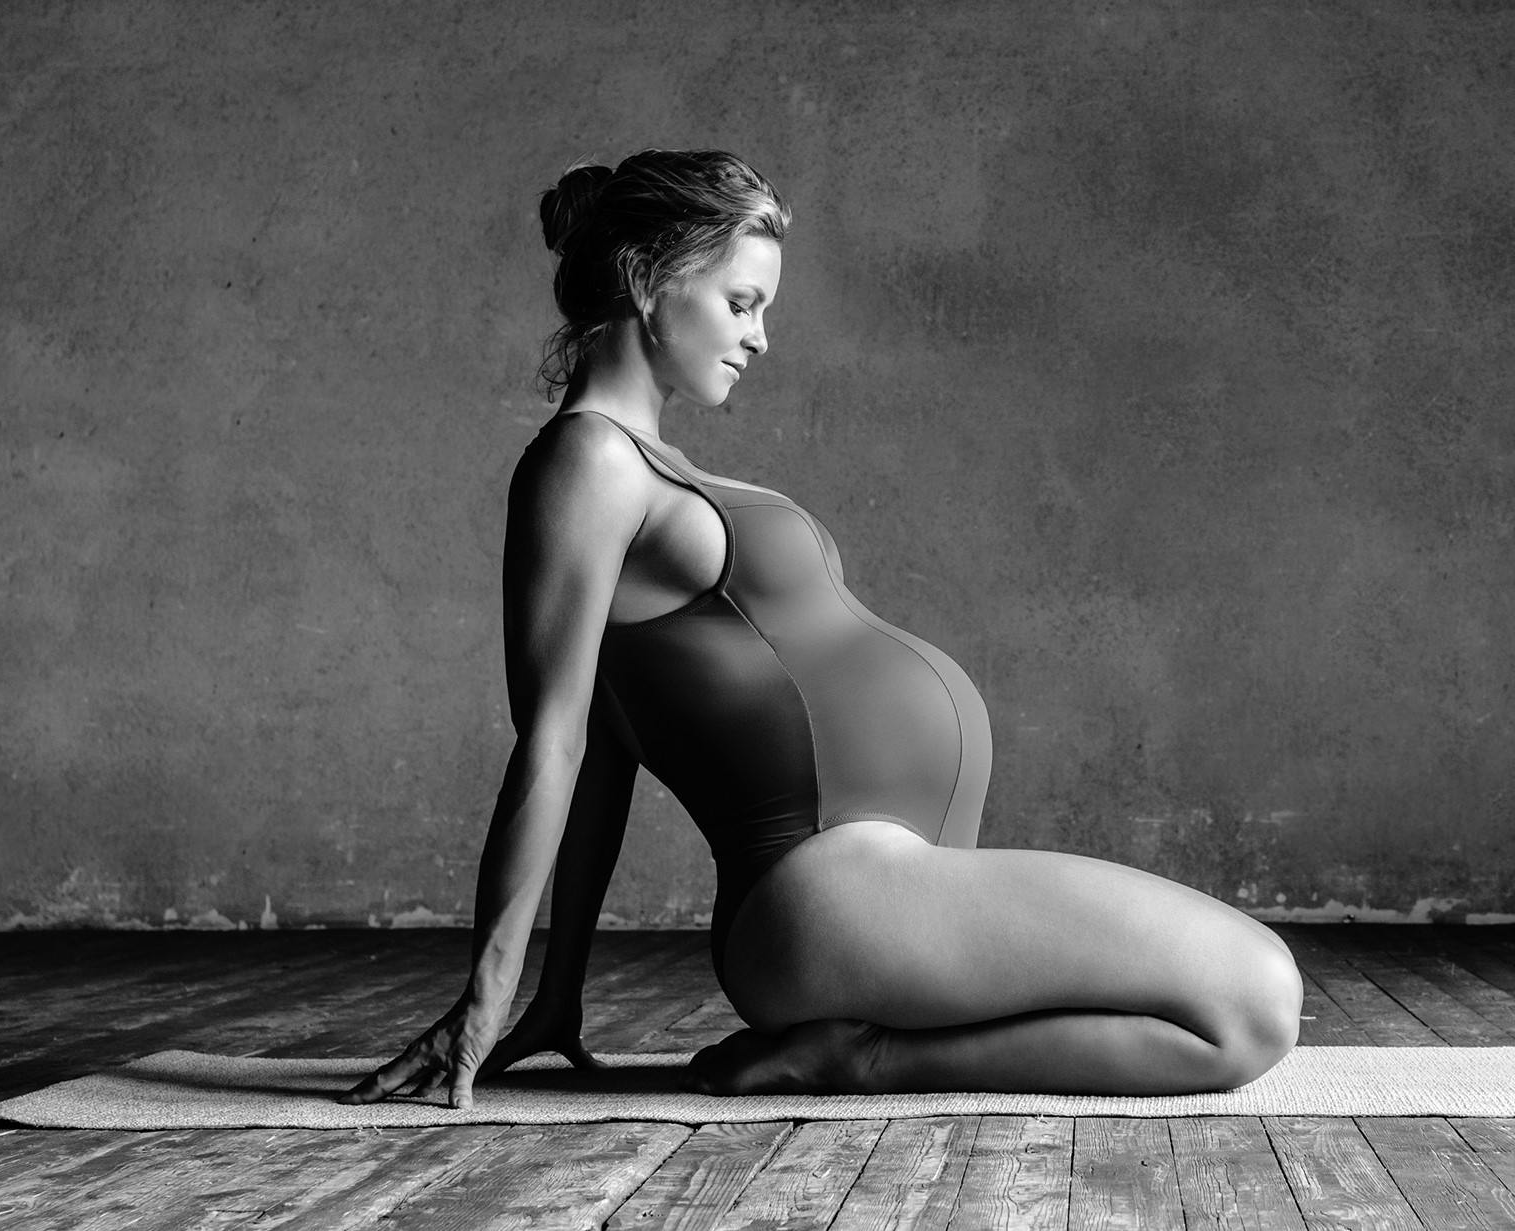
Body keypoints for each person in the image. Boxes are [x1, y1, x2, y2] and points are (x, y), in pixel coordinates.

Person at [343, 149, 1300, 1107]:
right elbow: (556, 744)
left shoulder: (646, 462)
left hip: (884, 889)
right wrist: (488, 995)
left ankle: (861, 1045)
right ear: (645, 280)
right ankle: (865, 1057)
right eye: (741, 302)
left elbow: (604, 748)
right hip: (832, 896)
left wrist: (559, 998)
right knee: (1254, 1001)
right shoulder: (587, 459)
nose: (759, 338)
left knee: (1237, 1013)